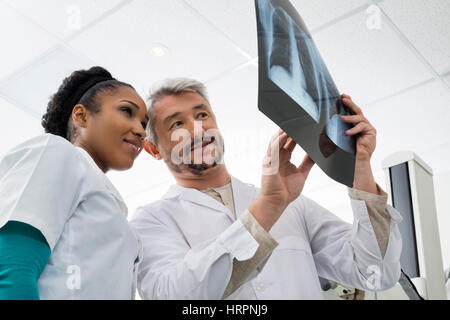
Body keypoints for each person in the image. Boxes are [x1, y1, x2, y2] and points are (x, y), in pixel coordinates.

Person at [130, 78, 403, 299]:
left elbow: (374, 271)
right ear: (153, 149)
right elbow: (173, 296)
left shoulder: (293, 204)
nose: (198, 129)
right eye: (177, 123)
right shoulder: (151, 220)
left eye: (202, 114)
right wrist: (269, 206)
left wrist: (360, 168)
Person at [0, 66, 149, 299]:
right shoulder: (57, 152)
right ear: (81, 116)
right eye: (127, 111)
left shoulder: (117, 214)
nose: (140, 131)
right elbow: (12, 268)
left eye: (144, 124)